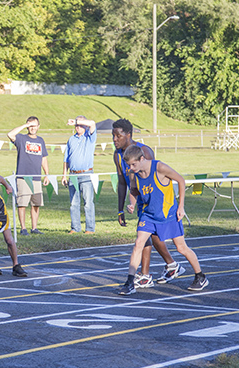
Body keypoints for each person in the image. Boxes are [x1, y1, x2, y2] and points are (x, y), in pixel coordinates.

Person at [117, 145, 209, 295]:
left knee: (181, 248)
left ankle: (200, 276)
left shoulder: (159, 167)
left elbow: (180, 180)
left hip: (168, 214)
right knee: (138, 243)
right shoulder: (134, 174)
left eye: (134, 164)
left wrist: (181, 207)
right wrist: (132, 204)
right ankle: (129, 281)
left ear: (142, 159)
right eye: (129, 165)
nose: (131, 168)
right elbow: (133, 191)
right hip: (148, 215)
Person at [112, 118, 184, 286]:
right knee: (147, 236)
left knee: (149, 236)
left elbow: (155, 177)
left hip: (154, 201)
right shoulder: (117, 155)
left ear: (128, 135)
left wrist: (154, 205)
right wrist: (120, 209)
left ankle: (151, 272)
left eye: (118, 136)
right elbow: (123, 182)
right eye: (112, 136)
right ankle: (167, 267)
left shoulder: (144, 151)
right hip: (139, 199)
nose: (115, 139)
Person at [7, 116, 50, 235]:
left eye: (34, 125)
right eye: (30, 126)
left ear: (38, 126)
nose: (32, 128)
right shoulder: (21, 138)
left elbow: (44, 158)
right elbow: (10, 134)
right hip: (23, 177)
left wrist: (47, 174)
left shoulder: (40, 140)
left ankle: (34, 228)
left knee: (36, 204)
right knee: (22, 204)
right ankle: (23, 228)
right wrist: (25, 125)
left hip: (36, 177)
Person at [61, 116, 97, 234]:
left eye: (80, 124)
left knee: (88, 203)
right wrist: (64, 175)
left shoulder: (90, 137)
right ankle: (75, 227)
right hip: (73, 175)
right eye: (76, 124)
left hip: (86, 174)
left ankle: (90, 228)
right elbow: (66, 159)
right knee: (74, 203)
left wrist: (76, 121)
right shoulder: (71, 139)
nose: (78, 126)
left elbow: (92, 123)